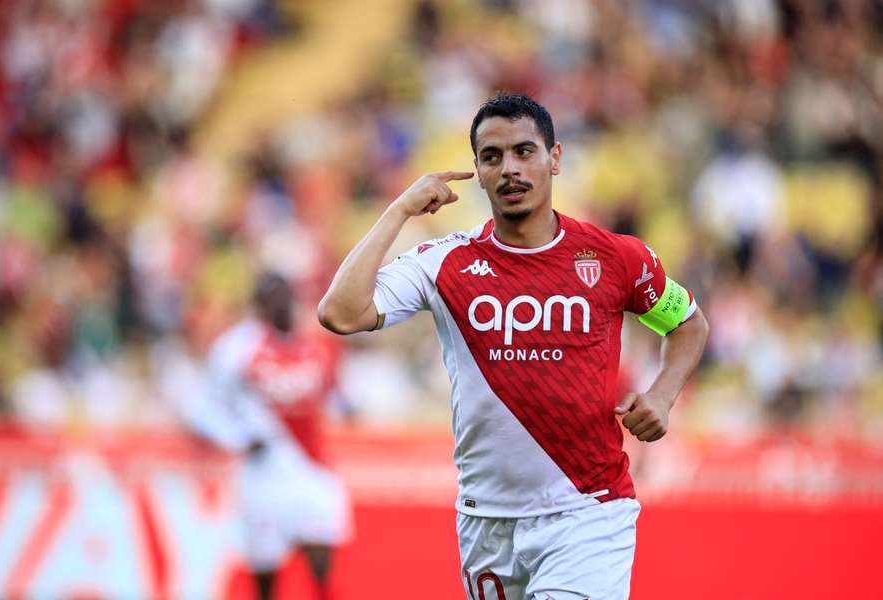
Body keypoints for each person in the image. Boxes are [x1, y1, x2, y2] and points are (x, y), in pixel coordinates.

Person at [317, 93, 709, 600]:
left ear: (556, 158)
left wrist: (661, 394)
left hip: (587, 511)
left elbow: (689, 324)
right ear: (477, 171)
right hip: (486, 521)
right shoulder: (445, 263)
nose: (510, 169)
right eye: (492, 157)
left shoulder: (614, 257)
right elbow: (339, 312)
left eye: (525, 152)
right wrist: (399, 210)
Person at [177, 272, 351, 600]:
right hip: (264, 477)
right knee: (267, 573)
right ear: (258, 306)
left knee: (321, 562)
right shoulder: (237, 348)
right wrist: (237, 438)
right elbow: (200, 407)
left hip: (311, 470)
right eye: (272, 299)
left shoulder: (313, 341)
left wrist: (346, 406)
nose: (281, 305)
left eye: (285, 296)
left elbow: (331, 392)